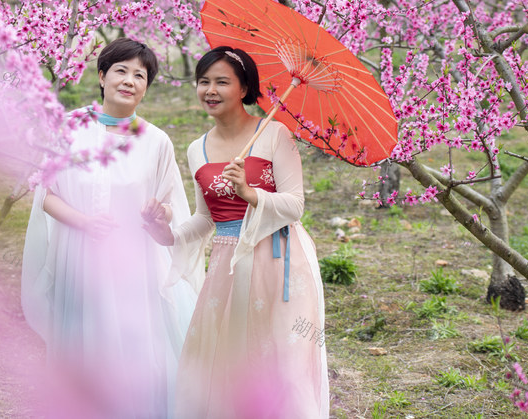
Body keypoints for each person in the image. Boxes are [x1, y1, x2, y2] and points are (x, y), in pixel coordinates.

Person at [143, 46, 329, 418]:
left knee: (283, 358)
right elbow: (205, 219)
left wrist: (250, 194)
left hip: (280, 260)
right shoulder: (197, 148)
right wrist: (168, 235)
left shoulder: (274, 133)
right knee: (226, 358)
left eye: (221, 82)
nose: (210, 90)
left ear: (244, 89)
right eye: (204, 82)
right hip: (228, 262)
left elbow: (295, 204)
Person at [21, 38, 198, 418]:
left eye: (140, 75)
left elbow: (169, 205)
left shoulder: (156, 142)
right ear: (102, 76)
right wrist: (84, 222)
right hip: (80, 256)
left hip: (135, 263)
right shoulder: (70, 127)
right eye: (121, 70)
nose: (130, 80)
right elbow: (46, 195)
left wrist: (160, 212)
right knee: (87, 346)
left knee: (137, 350)